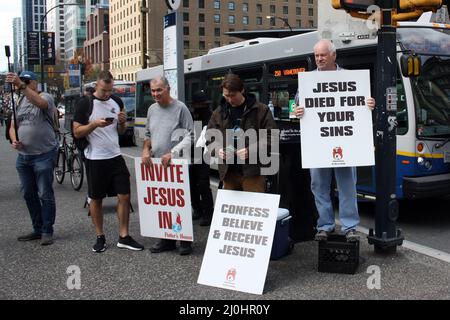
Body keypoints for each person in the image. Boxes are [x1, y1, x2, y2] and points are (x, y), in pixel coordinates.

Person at [294, 39, 375, 242]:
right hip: (318, 144)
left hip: (345, 143)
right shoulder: (308, 80)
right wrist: (296, 111)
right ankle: (325, 225)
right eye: (317, 56)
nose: (319, 59)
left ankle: (349, 227)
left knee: (348, 186)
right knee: (319, 186)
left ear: (333, 55)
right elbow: (295, 106)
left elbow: (360, 105)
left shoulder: (351, 79)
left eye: (323, 55)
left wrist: (369, 104)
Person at [73, 71, 144, 253]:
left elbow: (120, 131)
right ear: (97, 85)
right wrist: (94, 124)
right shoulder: (85, 104)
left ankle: (124, 236)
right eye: (104, 90)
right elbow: (77, 132)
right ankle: (100, 236)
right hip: (95, 158)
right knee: (96, 199)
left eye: (110, 90)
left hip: (115, 156)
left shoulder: (116, 102)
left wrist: (122, 123)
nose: (107, 94)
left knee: (125, 196)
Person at [141, 76, 194, 255]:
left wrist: (174, 153)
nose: (155, 94)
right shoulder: (151, 109)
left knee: (180, 202)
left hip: (177, 163)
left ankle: (185, 240)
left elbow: (191, 134)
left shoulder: (180, 108)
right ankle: (167, 239)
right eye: (153, 91)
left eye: (159, 90)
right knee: (163, 202)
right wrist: (146, 150)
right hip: (158, 164)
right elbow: (148, 134)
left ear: (168, 88)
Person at [6, 70, 58, 246]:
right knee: (28, 193)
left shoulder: (45, 96)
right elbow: (13, 125)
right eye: (23, 82)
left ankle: (47, 230)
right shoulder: (19, 101)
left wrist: (21, 85)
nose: (25, 85)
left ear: (35, 83)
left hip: (43, 154)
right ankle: (37, 228)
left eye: (28, 82)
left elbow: (41, 104)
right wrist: (14, 140)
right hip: (24, 156)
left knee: (45, 193)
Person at [206, 73, 277, 192]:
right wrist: (218, 150)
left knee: (253, 207)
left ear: (242, 90)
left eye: (233, 95)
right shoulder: (219, 112)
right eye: (226, 95)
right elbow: (209, 137)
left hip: (253, 173)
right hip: (228, 172)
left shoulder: (261, 110)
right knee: (230, 210)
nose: (229, 99)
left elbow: (272, 137)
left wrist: (251, 151)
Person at [189, 90, 214, 226]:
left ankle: (208, 213)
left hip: (204, 153)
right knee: (192, 184)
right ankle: (198, 210)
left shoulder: (209, 116)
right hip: (191, 154)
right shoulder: (192, 115)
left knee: (203, 184)